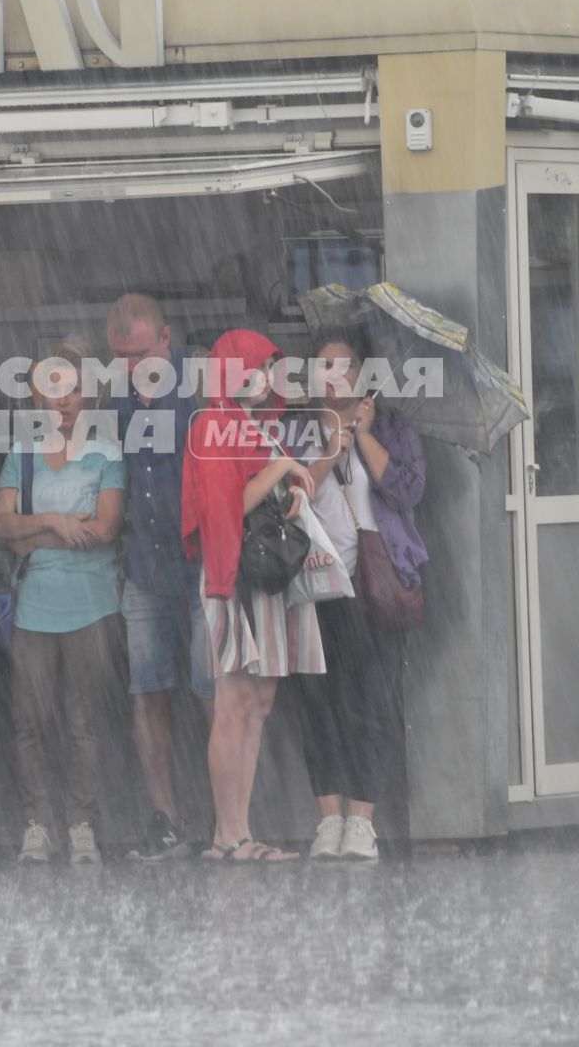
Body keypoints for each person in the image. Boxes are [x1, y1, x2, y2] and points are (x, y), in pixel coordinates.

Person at [181, 328, 324, 865]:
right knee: (235, 704)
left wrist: (286, 491)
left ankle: (237, 831)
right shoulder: (215, 425)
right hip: (232, 577)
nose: (264, 377)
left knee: (256, 706)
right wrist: (283, 469)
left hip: (261, 579)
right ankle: (230, 834)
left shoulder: (253, 426)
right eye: (253, 366)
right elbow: (232, 506)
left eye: (268, 367)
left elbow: (255, 498)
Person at [0, 340, 128, 867]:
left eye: (71, 390)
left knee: (83, 722)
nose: (62, 402)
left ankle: (81, 823)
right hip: (34, 608)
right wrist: (57, 523)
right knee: (30, 720)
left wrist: (32, 534)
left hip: (93, 604)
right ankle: (37, 824)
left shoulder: (107, 452)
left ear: (87, 395)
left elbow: (106, 528)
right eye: (52, 391)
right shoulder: (22, 453)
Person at [292, 337, 425, 863]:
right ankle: (328, 819)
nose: (331, 375)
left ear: (360, 372)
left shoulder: (392, 427)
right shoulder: (299, 430)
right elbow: (290, 499)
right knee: (319, 707)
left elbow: (409, 491)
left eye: (340, 365)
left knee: (372, 705)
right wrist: (329, 451)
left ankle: (362, 823)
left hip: (375, 587)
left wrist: (365, 436)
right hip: (316, 586)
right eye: (321, 365)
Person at [106, 293, 212, 860]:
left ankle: (229, 820)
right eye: (120, 356)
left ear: (166, 341)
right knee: (147, 693)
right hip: (144, 565)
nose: (131, 365)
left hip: (201, 565)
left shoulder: (199, 394)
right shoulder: (116, 401)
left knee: (211, 692)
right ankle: (165, 819)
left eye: (140, 352)